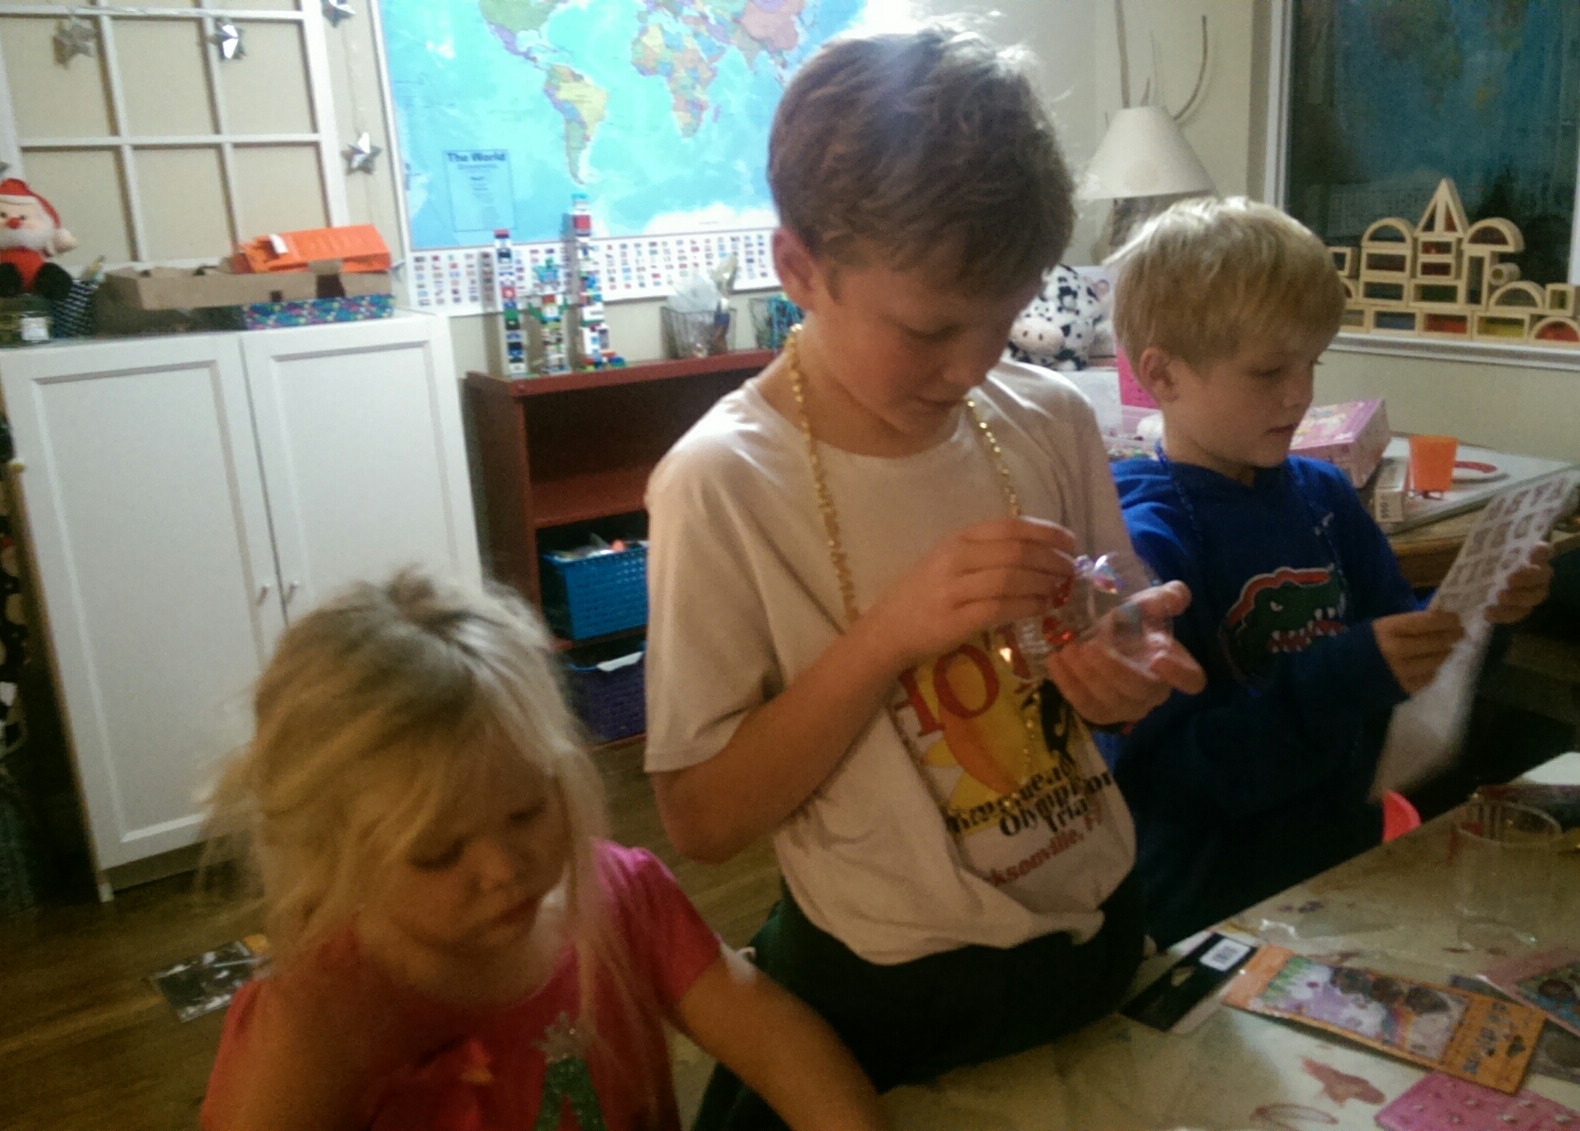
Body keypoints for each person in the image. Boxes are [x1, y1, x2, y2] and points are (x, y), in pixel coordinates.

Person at [640, 26, 1206, 1131]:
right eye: (930, 328)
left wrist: (1127, 665)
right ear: (799, 269)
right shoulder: (720, 485)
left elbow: (1114, 664)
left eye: (1005, 319)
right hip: (885, 993)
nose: (972, 365)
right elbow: (700, 820)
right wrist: (889, 633)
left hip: (1093, 935)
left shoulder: (1046, 419)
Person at [198, 571, 884, 1131]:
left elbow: (781, 1045)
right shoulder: (310, 1030)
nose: (503, 869)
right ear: (330, 854)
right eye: (438, 851)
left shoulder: (624, 898)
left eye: (527, 811)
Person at [1108, 197, 1554, 947]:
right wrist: (1348, 673)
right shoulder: (1145, 540)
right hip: (1213, 906)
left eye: (1312, 362)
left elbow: (1400, 656)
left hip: (1342, 865)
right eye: (1267, 371)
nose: (1300, 394)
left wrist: (1480, 613)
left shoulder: (1321, 493)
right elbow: (1172, 778)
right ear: (1163, 374)